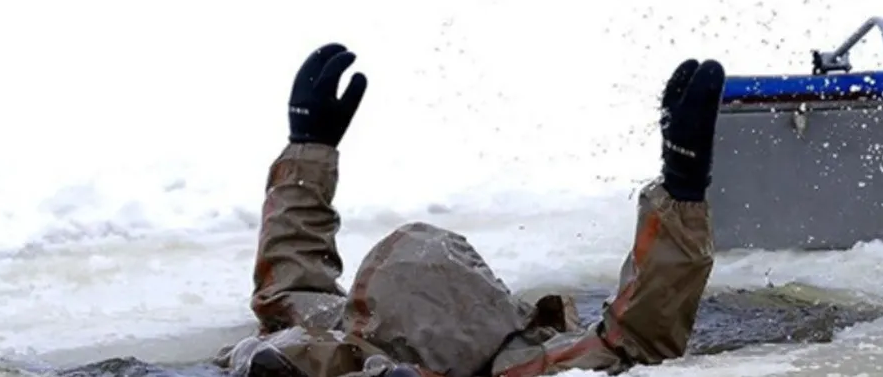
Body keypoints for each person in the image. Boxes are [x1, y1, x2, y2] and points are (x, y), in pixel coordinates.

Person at [215, 43, 727, 377]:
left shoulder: (331, 336)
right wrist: (682, 189)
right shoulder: (534, 361)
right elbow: (632, 338)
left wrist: (308, 148)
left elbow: (289, 286)